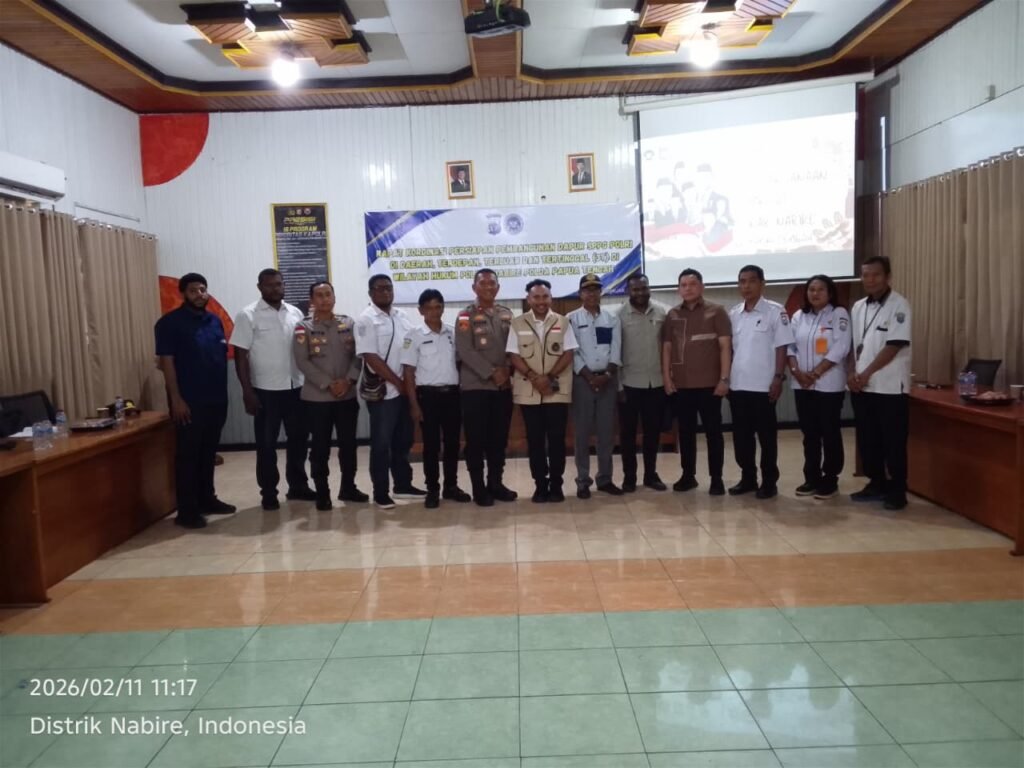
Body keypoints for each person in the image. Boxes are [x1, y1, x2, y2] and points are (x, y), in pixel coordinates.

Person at [155, 273, 235, 529]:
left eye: (202, 289)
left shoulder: (214, 321)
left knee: (208, 452)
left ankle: (207, 499)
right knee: (188, 455)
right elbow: (166, 363)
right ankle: (187, 510)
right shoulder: (169, 323)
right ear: (183, 294)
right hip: (188, 401)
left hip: (216, 399)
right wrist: (176, 399)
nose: (200, 295)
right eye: (193, 291)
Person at [230, 268, 315, 511]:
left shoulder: (295, 313)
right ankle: (268, 492)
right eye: (269, 285)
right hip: (265, 391)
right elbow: (240, 356)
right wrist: (247, 392)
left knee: (299, 441)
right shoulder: (248, 315)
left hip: (296, 388)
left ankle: (298, 486)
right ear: (260, 287)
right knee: (266, 444)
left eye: (278, 284)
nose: (275, 289)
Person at [293, 281, 367, 511]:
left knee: (348, 445)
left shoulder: (348, 323)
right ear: (311, 300)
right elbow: (302, 361)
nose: (324, 299)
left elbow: (359, 355)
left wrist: (349, 380)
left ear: (334, 297)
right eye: (319, 295)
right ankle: (322, 492)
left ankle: (348, 487)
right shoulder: (303, 327)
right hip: (317, 399)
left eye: (328, 294)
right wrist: (328, 384)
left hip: (346, 396)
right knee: (320, 447)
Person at [661, 268, 732, 496]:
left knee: (713, 434)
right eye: (683, 285)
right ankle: (688, 476)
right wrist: (666, 377)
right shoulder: (672, 315)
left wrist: (724, 379)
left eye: (692, 284)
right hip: (682, 385)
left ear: (701, 287)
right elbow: (667, 348)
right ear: (678, 289)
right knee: (686, 433)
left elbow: (725, 347)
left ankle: (716, 478)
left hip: (710, 385)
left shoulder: (717, 311)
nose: (688, 289)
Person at [355, 274, 424, 509]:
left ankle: (403, 485)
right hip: (384, 393)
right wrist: (398, 382)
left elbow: (411, 347)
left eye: (389, 288)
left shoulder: (401, 316)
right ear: (370, 293)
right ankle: (381, 492)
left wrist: (409, 384)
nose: (386, 292)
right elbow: (370, 357)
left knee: (403, 441)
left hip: (405, 391)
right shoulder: (366, 320)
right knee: (382, 444)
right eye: (380, 288)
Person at [849, 256, 912, 510]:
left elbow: (894, 346)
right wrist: (853, 372)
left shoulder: (899, 305)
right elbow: (855, 345)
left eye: (875, 274)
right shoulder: (858, 307)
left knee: (893, 441)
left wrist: (866, 373)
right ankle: (876, 483)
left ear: (887, 277)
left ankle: (897, 490)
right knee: (868, 439)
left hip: (889, 386)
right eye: (865, 275)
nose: (870, 280)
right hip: (862, 387)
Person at [507, 279, 578, 503]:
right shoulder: (517, 323)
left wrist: (548, 377)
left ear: (551, 298)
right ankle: (540, 485)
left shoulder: (563, 322)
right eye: (536, 297)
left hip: (556, 390)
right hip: (529, 391)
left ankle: (556, 485)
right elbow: (513, 355)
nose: (541, 301)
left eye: (545, 297)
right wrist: (533, 377)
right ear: (528, 299)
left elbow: (568, 353)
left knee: (557, 440)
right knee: (535, 441)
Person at [728, 265, 795, 499]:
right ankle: (748, 478)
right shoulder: (734, 313)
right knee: (742, 438)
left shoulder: (775, 311)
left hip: (763, 386)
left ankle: (769, 482)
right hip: (738, 385)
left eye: (752, 281)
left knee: (766, 438)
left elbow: (782, 346)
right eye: (742, 281)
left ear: (762, 283)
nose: (746, 286)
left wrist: (778, 377)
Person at [402, 289, 472, 509]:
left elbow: (461, 364)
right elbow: (408, 373)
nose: (434, 312)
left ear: (443, 308)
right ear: (421, 310)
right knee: (431, 446)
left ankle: (451, 486)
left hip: (452, 395)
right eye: (429, 308)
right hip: (427, 397)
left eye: (438, 307)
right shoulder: (413, 335)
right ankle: (432, 489)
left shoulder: (453, 333)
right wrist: (414, 405)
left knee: (452, 444)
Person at [455, 268, 518, 506]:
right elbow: (465, 350)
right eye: (483, 283)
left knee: (498, 439)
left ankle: (495, 483)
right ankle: (479, 488)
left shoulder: (507, 314)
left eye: (492, 283)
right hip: (476, 388)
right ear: (474, 288)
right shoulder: (465, 316)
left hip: (502, 388)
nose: (488, 287)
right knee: (476, 440)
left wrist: (507, 369)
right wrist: (492, 372)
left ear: (498, 288)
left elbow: (515, 347)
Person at [787, 274, 852, 500]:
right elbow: (790, 346)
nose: (815, 293)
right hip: (802, 384)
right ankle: (811, 477)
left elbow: (841, 347)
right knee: (810, 433)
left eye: (820, 289)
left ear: (830, 293)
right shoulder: (799, 316)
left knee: (829, 432)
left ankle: (830, 478)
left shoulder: (838, 314)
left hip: (828, 384)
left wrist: (815, 373)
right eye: (811, 289)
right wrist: (796, 371)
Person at [568, 273, 622, 498]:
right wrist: (590, 377)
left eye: (595, 289)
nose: (591, 293)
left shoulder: (611, 318)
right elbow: (572, 352)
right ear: (580, 293)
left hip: (607, 381)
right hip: (583, 381)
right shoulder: (571, 319)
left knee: (606, 433)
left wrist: (607, 374)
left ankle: (605, 479)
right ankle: (583, 481)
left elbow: (616, 349)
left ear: (601, 292)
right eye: (587, 290)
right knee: (582, 434)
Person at [617, 273, 668, 493]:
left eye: (643, 288)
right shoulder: (618, 315)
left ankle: (650, 475)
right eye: (635, 289)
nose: (640, 293)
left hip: (655, 383)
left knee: (652, 433)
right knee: (627, 435)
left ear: (649, 289)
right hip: (629, 384)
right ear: (628, 291)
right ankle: (629, 477)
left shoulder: (662, 312)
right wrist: (619, 385)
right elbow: (615, 352)